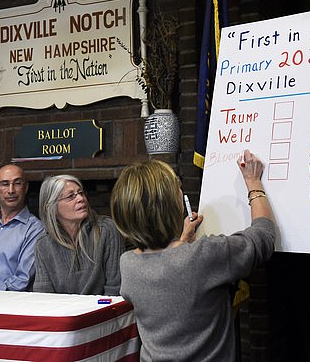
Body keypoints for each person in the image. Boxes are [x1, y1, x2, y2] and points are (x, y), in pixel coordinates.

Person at [110, 151, 276, 361]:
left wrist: (182, 240)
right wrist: (253, 183)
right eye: (176, 188)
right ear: (169, 205)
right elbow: (264, 236)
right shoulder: (202, 256)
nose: (181, 191)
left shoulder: (128, 263)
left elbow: (166, 267)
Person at [33, 174, 124, 295]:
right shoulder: (43, 244)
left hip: (102, 310)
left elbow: (115, 289)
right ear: (51, 207)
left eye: (81, 193)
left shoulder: (106, 229)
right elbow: (43, 295)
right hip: (63, 311)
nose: (81, 199)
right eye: (71, 196)